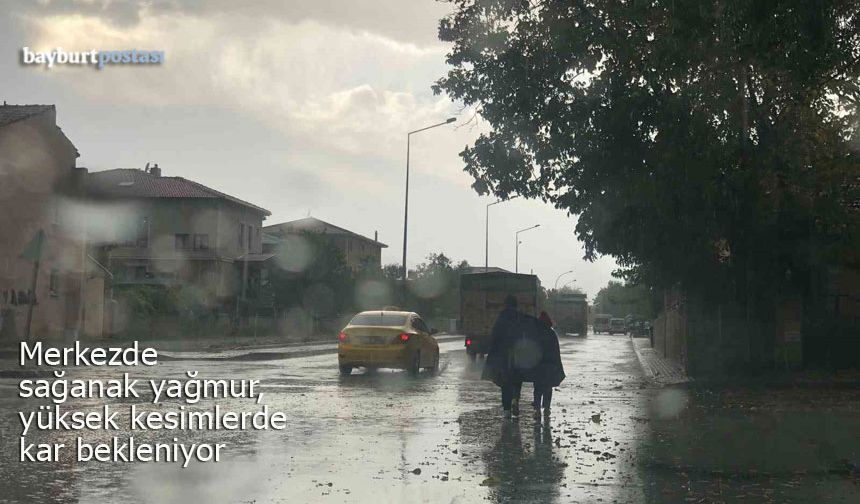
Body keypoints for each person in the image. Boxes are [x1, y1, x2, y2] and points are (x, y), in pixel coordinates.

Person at [482, 294, 524, 418]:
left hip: (504, 356)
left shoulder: (501, 317)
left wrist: (492, 354)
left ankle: (507, 410)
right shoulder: (520, 317)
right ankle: (515, 399)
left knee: (506, 382)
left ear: (505, 304)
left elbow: (495, 336)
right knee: (517, 379)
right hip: (518, 354)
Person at [530, 311, 565, 419]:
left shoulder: (535, 333)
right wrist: (557, 366)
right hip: (550, 366)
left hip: (538, 366)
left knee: (537, 388)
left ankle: (537, 409)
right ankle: (546, 408)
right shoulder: (552, 333)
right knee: (548, 388)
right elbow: (556, 351)